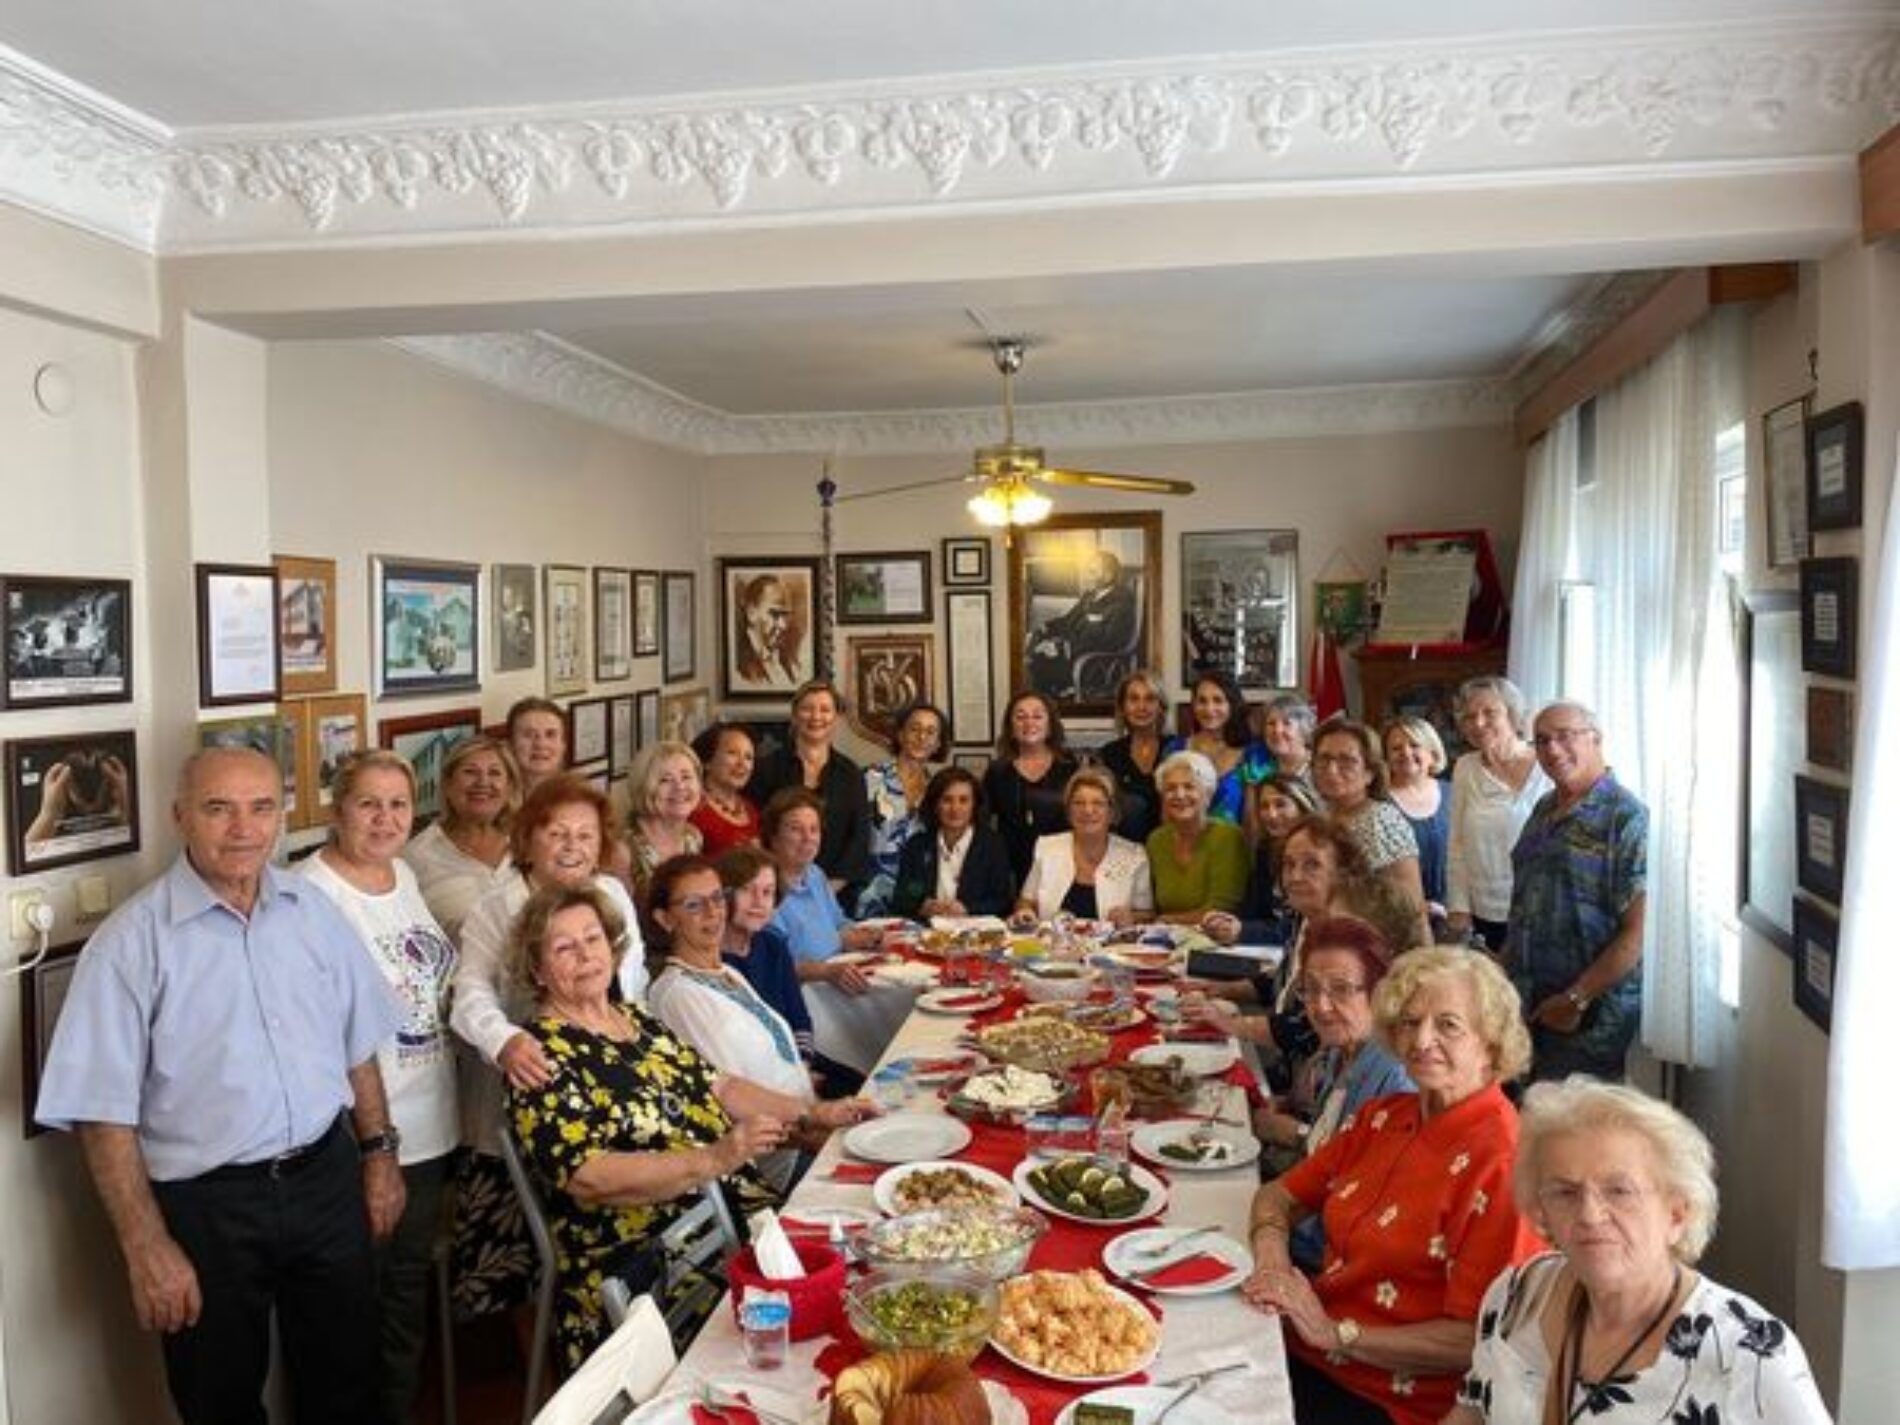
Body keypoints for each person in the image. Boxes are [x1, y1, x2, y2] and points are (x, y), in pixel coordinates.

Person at [35, 747, 404, 1425]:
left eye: (261, 807)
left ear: (283, 815)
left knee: (349, 1384)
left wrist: (379, 1153)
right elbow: (101, 1115)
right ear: (181, 817)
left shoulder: (312, 911)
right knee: (219, 1402)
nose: (243, 827)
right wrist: (146, 1244)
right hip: (207, 1209)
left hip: (327, 1178)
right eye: (218, 808)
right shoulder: (129, 944)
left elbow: (359, 1042)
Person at [506, 883, 870, 1368]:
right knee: (815, 1338)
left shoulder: (634, 1019)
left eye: (592, 939)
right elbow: (588, 1177)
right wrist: (714, 1158)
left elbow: (718, 1086)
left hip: (728, 1213)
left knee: (855, 1262)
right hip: (653, 1261)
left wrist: (809, 1111)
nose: (585, 956)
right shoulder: (538, 1057)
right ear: (537, 969)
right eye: (563, 948)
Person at [1243, 946, 1542, 1425]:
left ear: (1492, 1042)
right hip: (1310, 1351)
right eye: (1409, 1022)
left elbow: (1477, 1338)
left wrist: (1338, 1333)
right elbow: (1277, 1196)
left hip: (1390, 1401)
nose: (1422, 1040)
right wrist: (1274, 1260)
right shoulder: (1385, 1117)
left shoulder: (1504, 1164)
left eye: (1448, 1025)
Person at [1450, 1077, 1832, 1424]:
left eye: (1619, 1191)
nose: (1590, 1214)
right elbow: (1473, 1410)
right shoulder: (1517, 1296)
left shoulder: (1750, 1353)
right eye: (1565, 1192)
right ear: (1542, 1212)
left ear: (1677, 1215)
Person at [298, 751, 459, 1425]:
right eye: (368, 803)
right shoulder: (308, 892)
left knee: (400, 1305)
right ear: (336, 809)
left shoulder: (403, 874)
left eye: (398, 803)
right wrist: (375, 1151)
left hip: (431, 1126)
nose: (385, 817)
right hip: (364, 1140)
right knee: (348, 1317)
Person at [447, 774, 645, 1319]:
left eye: (585, 836)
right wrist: (505, 1041)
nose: (573, 847)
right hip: (526, 1089)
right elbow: (467, 996)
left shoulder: (612, 896)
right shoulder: (497, 907)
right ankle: (545, 1381)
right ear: (528, 839)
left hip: (612, 1093)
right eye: (558, 834)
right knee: (526, 1263)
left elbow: (636, 985)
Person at [1245, 917, 1413, 1268]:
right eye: (1311, 988)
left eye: (1340, 989)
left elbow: (1359, 1204)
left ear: (1379, 991)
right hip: (1295, 1223)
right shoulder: (1341, 1052)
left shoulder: (1394, 1081)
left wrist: (1272, 1235)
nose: (1321, 1006)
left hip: (1325, 1259)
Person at [645, 856, 816, 1189]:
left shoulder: (727, 972)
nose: (713, 912)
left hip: (803, 1133)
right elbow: (730, 1110)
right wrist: (818, 1135)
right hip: (772, 1171)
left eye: (717, 898)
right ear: (665, 919)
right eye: (694, 905)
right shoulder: (677, 995)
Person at [1510, 701, 1649, 1082]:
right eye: (1541, 741)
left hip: (1587, 1017)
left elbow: (1639, 930)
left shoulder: (1626, 818)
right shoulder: (1544, 807)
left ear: (1596, 738)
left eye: (1565, 736)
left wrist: (1576, 999)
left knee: (1569, 1130)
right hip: (1530, 1005)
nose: (1552, 750)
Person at [1444, 676, 1551, 952]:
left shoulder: (1548, 762)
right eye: (1469, 717)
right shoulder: (1465, 768)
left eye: (1489, 713)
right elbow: (1456, 844)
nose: (1478, 723)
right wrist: (1458, 906)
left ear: (1513, 715)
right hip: (1487, 911)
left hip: (1546, 908)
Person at [745, 680, 871, 903]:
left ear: (837, 718)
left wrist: (825, 891)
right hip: (775, 891)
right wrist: (780, 884)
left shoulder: (850, 774)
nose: (816, 717)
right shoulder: (767, 768)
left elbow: (859, 838)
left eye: (825, 709)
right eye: (807, 708)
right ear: (794, 716)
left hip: (836, 893)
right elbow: (756, 827)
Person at [1312, 716, 1433, 948]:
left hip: (1375, 950)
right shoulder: (1321, 817)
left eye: (1346, 761)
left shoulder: (1381, 820)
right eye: (1324, 759)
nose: (1332, 769)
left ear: (1370, 772)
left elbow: (1412, 911)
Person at [761, 787, 883, 991]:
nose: (808, 837)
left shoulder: (815, 874)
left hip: (836, 976)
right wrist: (825, 972)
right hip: (803, 991)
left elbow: (839, 922)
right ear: (773, 837)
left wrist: (863, 935)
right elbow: (775, 965)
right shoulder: (764, 889)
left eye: (814, 829)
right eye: (795, 829)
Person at [404, 734, 521, 945]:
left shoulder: (526, 844)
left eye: (494, 773)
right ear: (448, 785)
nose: (483, 782)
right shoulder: (415, 856)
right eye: (470, 772)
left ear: (509, 787)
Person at [1015, 766, 1154, 925]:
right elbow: (1026, 901)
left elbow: (1147, 914)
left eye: (1098, 803)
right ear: (1068, 811)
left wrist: (1132, 917)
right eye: (1078, 803)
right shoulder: (1047, 848)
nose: (1088, 810)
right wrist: (1025, 911)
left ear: (1112, 812)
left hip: (1112, 947)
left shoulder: (1135, 856)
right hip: (1054, 945)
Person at [1205, 772, 1320, 946]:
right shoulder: (1264, 851)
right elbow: (1251, 911)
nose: (1271, 814)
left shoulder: (1318, 855)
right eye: (1264, 806)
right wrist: (1225, 923)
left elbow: (1303, 927)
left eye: (1280, 804)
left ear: (1302, 807)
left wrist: (1245, 931)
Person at [857, 701, 948, 918]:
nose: (921, 737)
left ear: (937, 744)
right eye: (914, 729)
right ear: (900, 735)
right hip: (870, 892)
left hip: (916, 896)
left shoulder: (938, 788)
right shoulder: (871, 778)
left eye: (930, 732)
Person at [892, 766, 1017, 920]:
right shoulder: (917, 845)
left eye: (964, 800)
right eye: (947, 800)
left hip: (974, 934)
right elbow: (905, 895)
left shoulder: (993, 845)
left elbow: (1002, 901)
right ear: (935, 805)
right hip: (926, 933)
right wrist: (921, 905)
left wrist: (967, 908)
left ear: (974, 805)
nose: (955, 808)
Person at [983, 689, 1081, 886]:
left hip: (1063, 864)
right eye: (1021, 717)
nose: (1029, 723)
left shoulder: (1071, 767)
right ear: (1010, 727)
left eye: (1037, 716)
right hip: (1012, 868)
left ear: (1050, 725)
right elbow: (984, 823)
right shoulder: (997, 771)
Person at [1145, 749, 1249, 924]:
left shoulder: (1228, 837)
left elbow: (1220, 911)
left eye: (1189, 786)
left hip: (1216, 940)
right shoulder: (1156, 840)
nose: (1179, 795)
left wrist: (1166, 921)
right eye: (1170, 788)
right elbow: (1154, 906)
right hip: (1165, 940)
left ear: (1208, 794)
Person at [1025, 547, 1138, 699]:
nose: (1087, 577)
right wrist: (1045, 628)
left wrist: (1062, 646)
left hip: (1093, 663)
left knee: (1037, 662)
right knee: (1035, 650)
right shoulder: (1089, 596)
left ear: (1108, 575)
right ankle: (1050, 697)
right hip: (1071, 655)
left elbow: (1111, 640)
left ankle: (1053, 699)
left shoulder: (1121, 601)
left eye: (1092, 572)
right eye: (1087, 571)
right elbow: (1068, 620)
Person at [1164, 669, 1270, 825]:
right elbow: (1166, 813)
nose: (1209, 708)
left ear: (1232, 705)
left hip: (1235, 845)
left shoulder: (1254, 754)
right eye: (1202, 701)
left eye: (1218, 700)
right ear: (1193, 705)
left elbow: (1256, 821)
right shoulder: (1175, 750)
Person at [623, 740, 705, 912]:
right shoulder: (624, 851)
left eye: (686, 777)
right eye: (665, 780)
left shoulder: (693, 837)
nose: (680, 787)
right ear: (643, 788)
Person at [1383, 716, 1451, 923]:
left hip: (1456, 914)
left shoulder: (1455, 792)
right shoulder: (1378, 803)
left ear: (1432, 753)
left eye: (1415, 745)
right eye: (1396, 748)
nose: (1405, 753)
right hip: (1401, 917)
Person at [1093, 669, 1168, 842]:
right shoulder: (1108, 754)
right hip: (1125, 850)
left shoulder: (1176, 748)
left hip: (1170, 846)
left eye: (1150, 699)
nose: (1141, 707)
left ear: (1160, 707)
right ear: (1122, 707)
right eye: (1133, 699)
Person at [689, 722, 761, 856]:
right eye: (732, 753)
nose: (742, 764)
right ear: (707, 761)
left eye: (748, 757)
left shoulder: (751, 809)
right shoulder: (692, 808)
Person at [734, 573, 800, 688]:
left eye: (785, 615)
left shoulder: (788, 663)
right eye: (775, 614)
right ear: (751, 613)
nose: (783, 625)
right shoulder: (738, 664)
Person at [507, 696, 569, 791]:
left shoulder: (581, 799)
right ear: (511, 743)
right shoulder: (494, 801)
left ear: (563, 745)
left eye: (550, 734)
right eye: (529, 735)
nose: (541, 744)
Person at [1257, 693, 1318, 787]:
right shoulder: (1260, 766)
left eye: (1286, 723)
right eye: (1271, 723)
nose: (1277, 730)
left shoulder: (1319, 767)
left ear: (1303, 730)